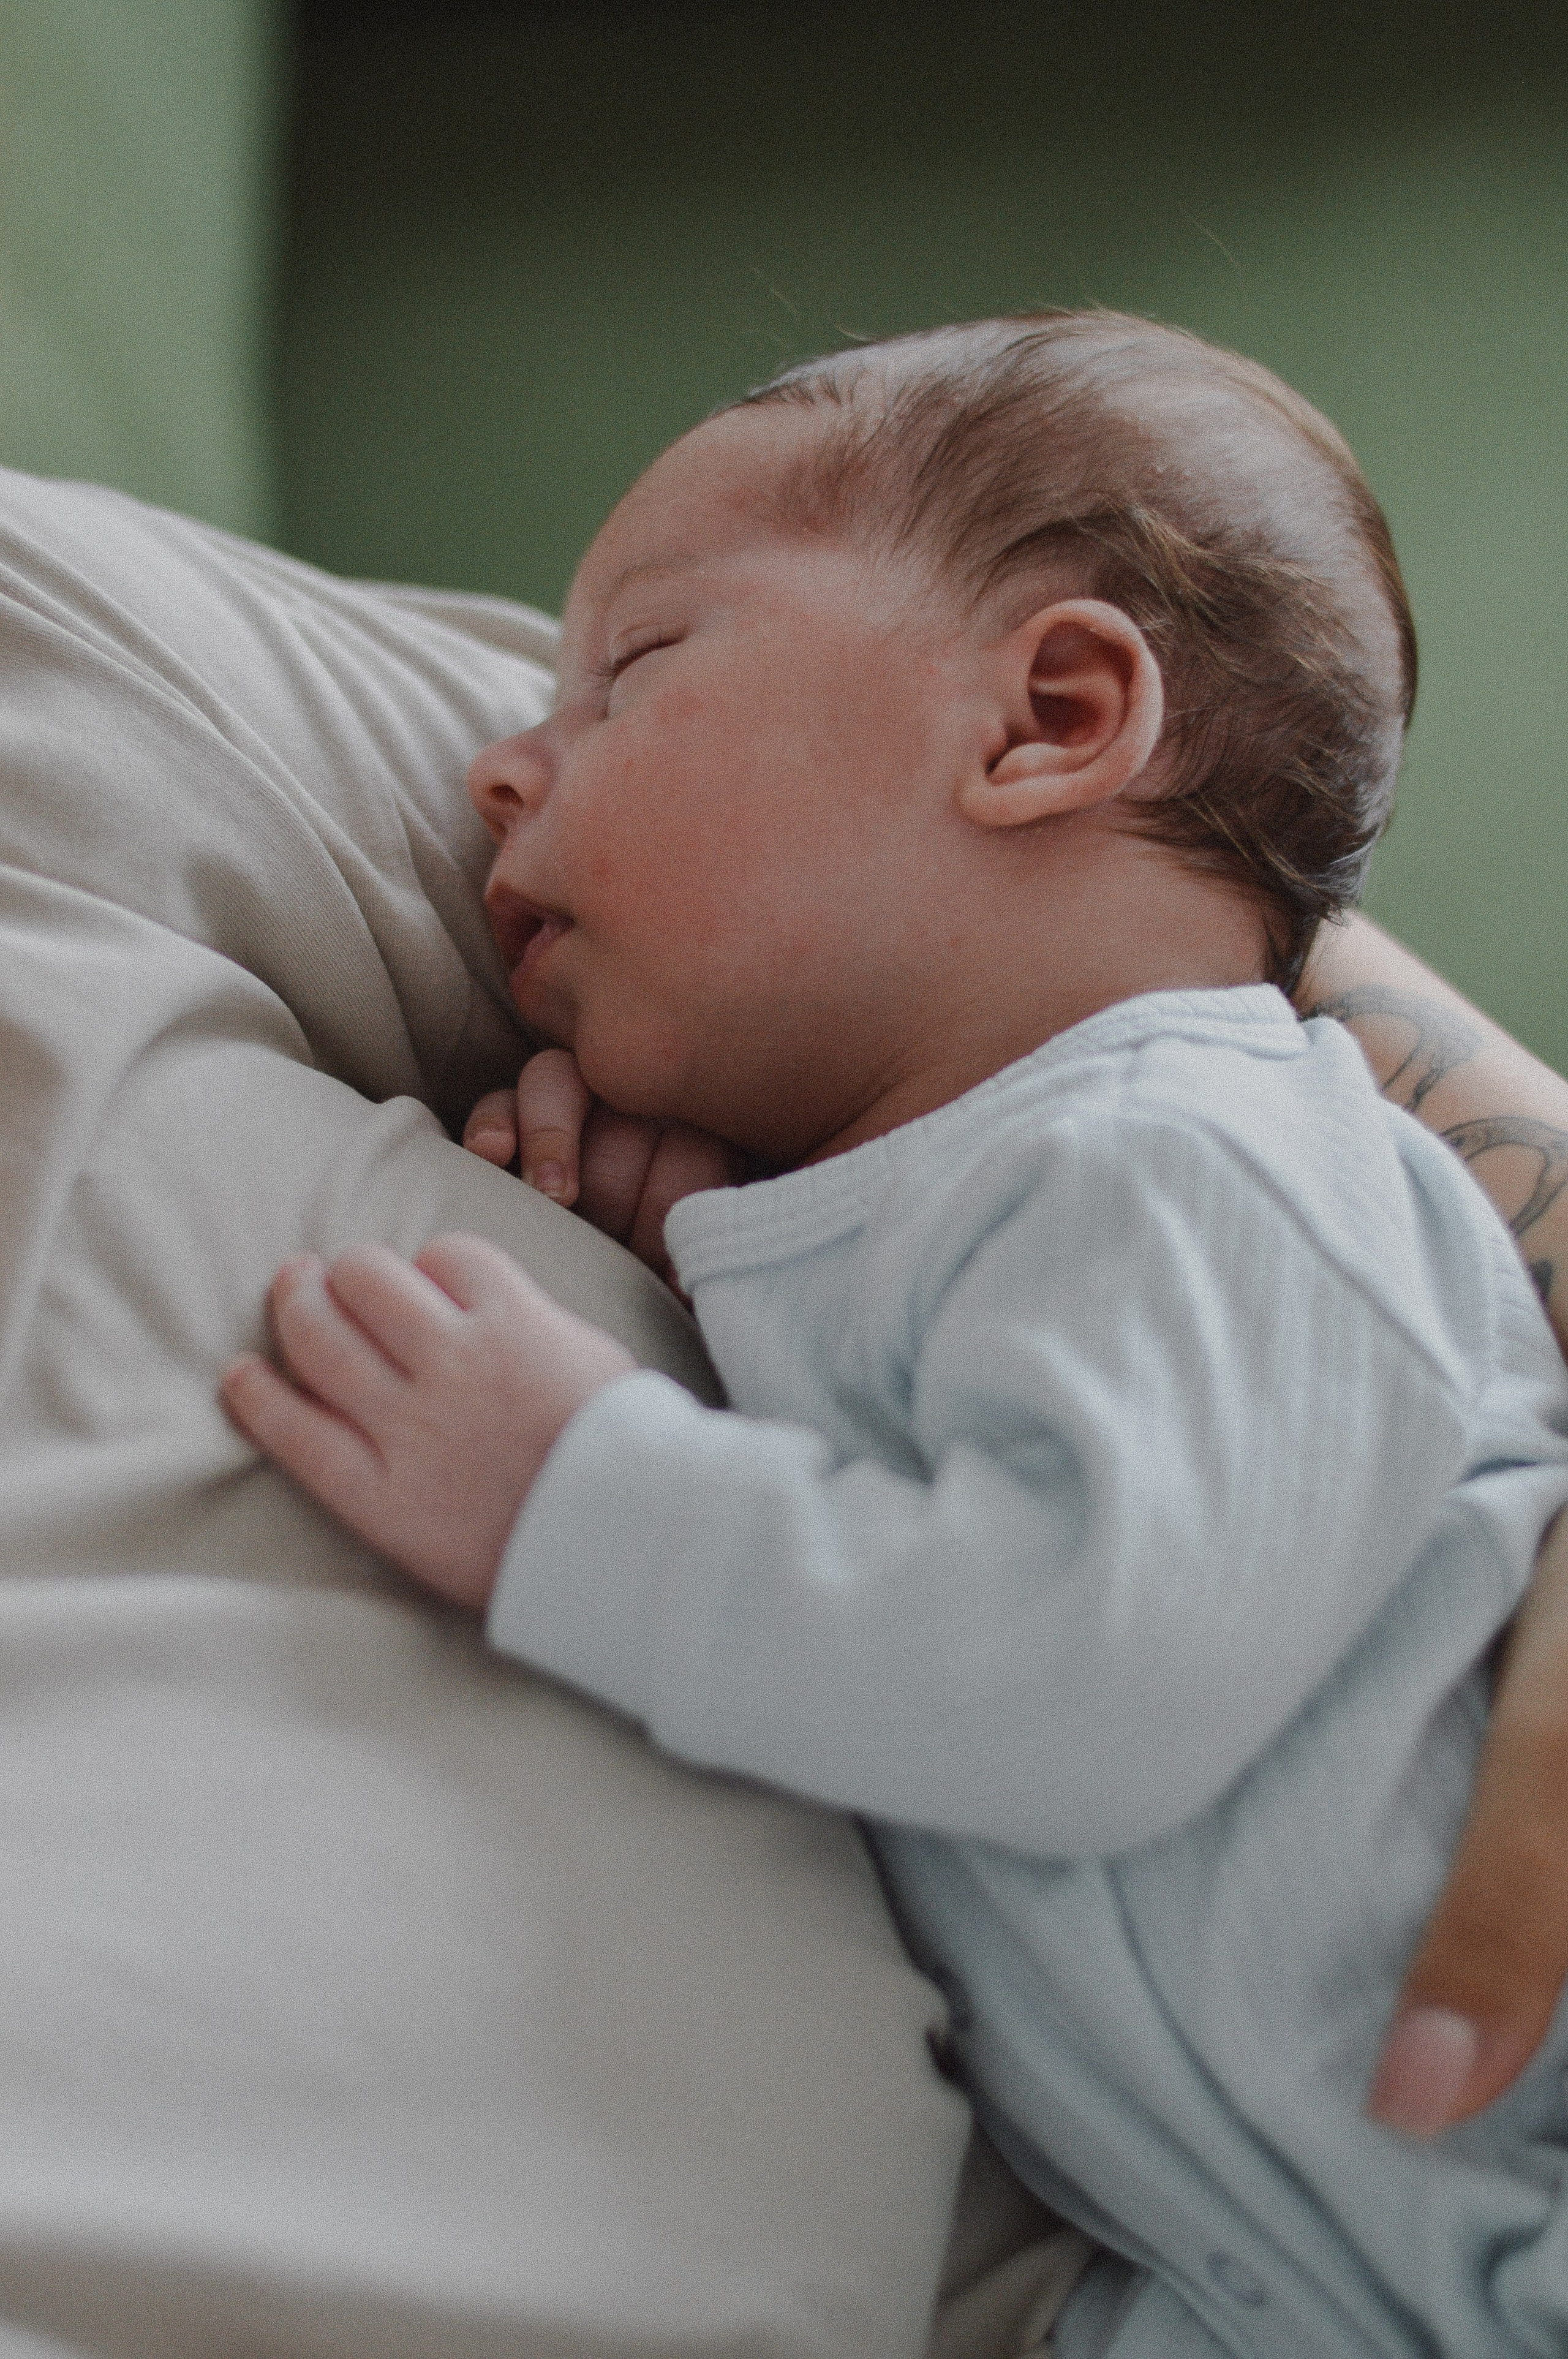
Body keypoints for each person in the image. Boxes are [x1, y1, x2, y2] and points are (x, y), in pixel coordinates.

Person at [223, 312, 1568, 2355]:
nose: (503, 761)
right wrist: (719, 1248)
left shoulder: (1210, 1153)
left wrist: (581, 1491)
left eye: (638, 669)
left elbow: (1080, 1662)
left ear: (1047, 714)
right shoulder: (1026, 1183)